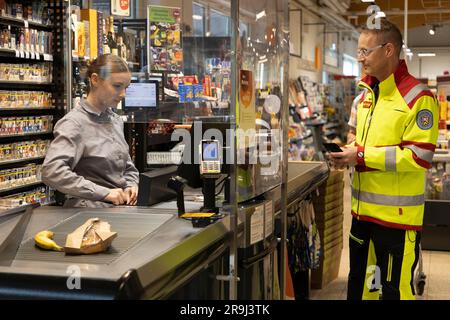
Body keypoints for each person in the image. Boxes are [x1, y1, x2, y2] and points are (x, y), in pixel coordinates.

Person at [329, 19, 439, 300]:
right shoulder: (363, 97)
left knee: (393, 293)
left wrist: (362, 154)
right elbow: (356, 142)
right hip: (361, 216)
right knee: (363, 289)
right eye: (359, 51)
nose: (359, 57)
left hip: (396, 223)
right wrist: (346, 153)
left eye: (365, 51)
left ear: (388, 50)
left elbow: (419, 156)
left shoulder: (418, 98)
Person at [42, 54, 139, 208]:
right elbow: (52, 171)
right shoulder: (74, 123)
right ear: (95, 80)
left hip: (120, 209)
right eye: (117, 86)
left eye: (126, 87)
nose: (123, 94)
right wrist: (104, 193)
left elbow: (127, 167)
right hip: (87, 213)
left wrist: (131, 186)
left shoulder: (115, 121)